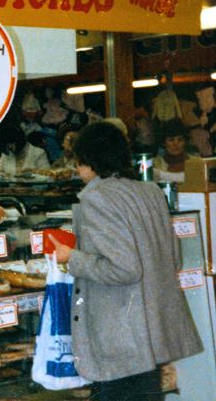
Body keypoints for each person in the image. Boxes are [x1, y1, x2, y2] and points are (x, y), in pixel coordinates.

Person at [49, 122, 202, 401]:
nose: (77, 170)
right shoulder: (151, 192)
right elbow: (173, 257)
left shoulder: (97, 198)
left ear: (90, 161)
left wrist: (73, 258)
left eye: (79, 162)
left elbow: (123, 268)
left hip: (120, 335)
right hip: (153, 330)